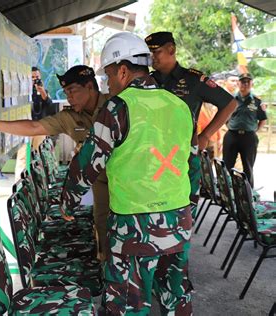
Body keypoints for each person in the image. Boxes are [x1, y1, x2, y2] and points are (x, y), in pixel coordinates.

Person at [60, 32, 194, 315]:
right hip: (178, 221)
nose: (108, 84)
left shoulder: (119, 106)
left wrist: (68, 203)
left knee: (127, 304)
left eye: (108, 76)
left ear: (122, 70)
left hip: (134, 228)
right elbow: (192, 163)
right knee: (176, 298)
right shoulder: (179, 106)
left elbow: (88, 163)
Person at [0, 65, 111, 260]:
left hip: (126, 183)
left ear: (90, 86)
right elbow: (35, 126)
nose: (69, 98)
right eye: (66, 93)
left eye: (72, 91)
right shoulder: (69, 117)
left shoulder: (114, 105)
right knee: (103, 232)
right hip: (100, 184)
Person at [145, 31, 237, 219]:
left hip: (184, 157)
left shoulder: (193, 80)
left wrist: (205, 136)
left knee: (183, 215)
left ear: (171, 50)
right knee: (153, 215)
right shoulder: (147, 82)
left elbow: (230, 104)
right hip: (151, 157)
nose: (152, 57)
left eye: (156, 52)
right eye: (149, 53)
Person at [223, 73, 267, 187]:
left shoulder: (257, 101)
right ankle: (227, 191)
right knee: (227, 165)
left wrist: (254, 130)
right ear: (238, 83)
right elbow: (224, 116)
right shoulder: (230, 99)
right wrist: (229, 125)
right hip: (231, 135)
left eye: (248, 82)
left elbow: (263, 119)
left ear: (252, 84)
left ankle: (248, 193)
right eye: (243, 81)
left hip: (249, 137)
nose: (245, 84)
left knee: (248, 166)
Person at [14, 67, 53, 180]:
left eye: (37, 77)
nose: (35, 80)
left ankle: (40, 182)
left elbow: (50, 107)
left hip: (40, 127)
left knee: (38, 155)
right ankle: (20, 183)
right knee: (22, 157)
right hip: (25, 127)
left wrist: (42, 93)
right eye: (32, 78)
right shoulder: (22, 92)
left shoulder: (44, 92)